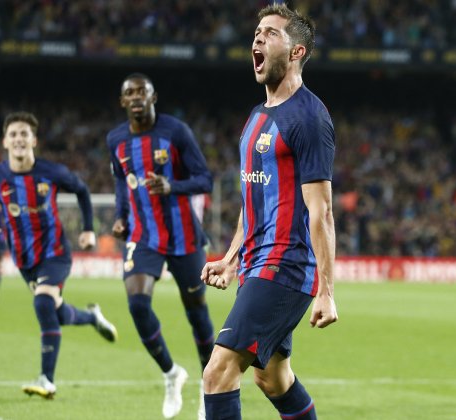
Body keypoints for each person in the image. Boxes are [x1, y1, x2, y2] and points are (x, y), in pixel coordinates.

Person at [200, 4, 338, 420]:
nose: (257, 39)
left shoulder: (310, 118)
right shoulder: (258, 116)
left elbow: (322, 212)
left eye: (271, 33)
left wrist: (327, 291)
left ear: (296, 51)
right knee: (272, 379)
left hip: (286, 267)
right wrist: (230, 257)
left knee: (218, 372)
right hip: (256, 265)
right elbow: (254, 200)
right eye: (257, 32)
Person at [0, 111, 118, 399]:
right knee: (55, 312)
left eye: (24, 134)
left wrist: (88, 228)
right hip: (23, 259)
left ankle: (47, 379)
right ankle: (91, 317)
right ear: (5, 141)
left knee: (43, 302)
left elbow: (81, 191)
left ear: (34, 140)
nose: (19, 139)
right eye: (14, 134)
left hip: (55, 253)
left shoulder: (51, 171)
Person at [107, 73, 215, 419]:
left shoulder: (176, 132)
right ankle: (171, 373)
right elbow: (123, 184)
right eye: (129, 93)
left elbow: (205, 179)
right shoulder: (116, 140)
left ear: (154, 97)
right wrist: (122, 217)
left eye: (143, 91)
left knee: (196, 311)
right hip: (143, 236)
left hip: (184, 236)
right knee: (137, 304)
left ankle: (208, 385)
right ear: (123, 101)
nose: (136, 97)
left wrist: (172, 186)